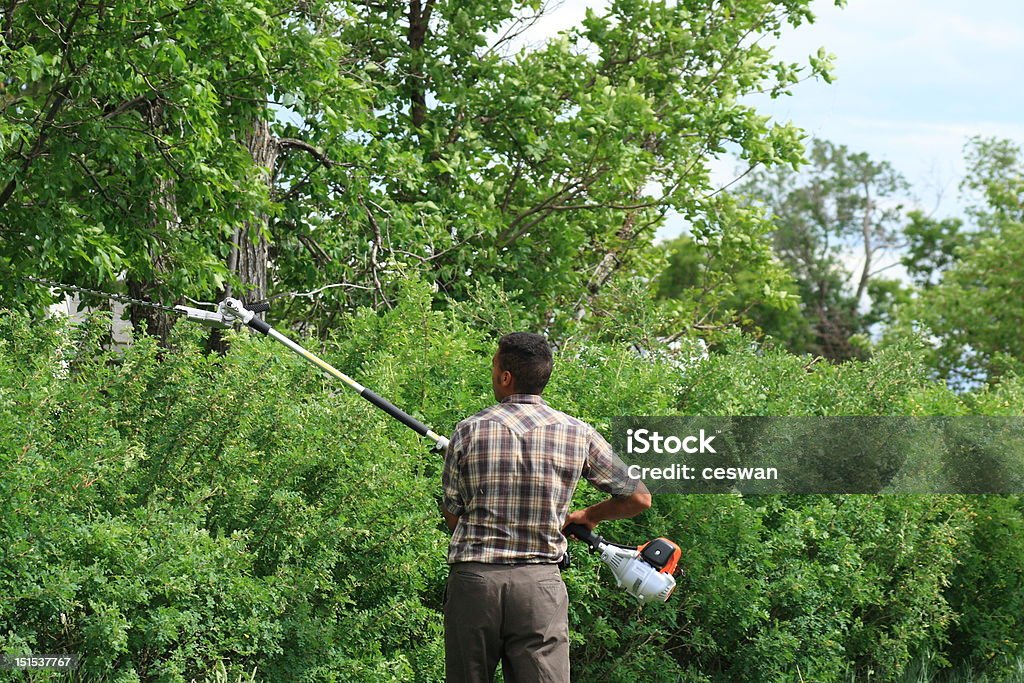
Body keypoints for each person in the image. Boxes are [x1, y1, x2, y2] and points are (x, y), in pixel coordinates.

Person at [441, 332, 651, 683]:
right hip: (539, 587)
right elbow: (638, 497)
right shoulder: (577, 433)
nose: (492, 373)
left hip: (475, 584)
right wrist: (588, 516)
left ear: (506, 377)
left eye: (494, 367)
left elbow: (453, 513)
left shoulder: (467, 431)